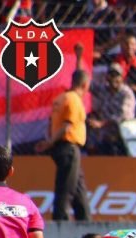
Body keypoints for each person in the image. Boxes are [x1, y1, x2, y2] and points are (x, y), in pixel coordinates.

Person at [35, 50, 93, 222]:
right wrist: (49, 142)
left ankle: (85, 220)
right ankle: (61, 221)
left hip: (62, 147)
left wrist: (79, 57)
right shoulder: (74, 100)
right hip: (68, 146)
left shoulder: (61, 98)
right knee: (66, 187)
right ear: (85, 85)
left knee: (78, 186)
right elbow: (67, 125)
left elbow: (51, 123)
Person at [87, 62, 136, 156]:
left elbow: (123, 116)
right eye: (111, 75)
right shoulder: (105, 89)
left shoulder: (126, 94)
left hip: (122, 137)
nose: (113, 79)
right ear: (107, 77)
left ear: (122, 78)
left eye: (116, 76)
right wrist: (79, 59)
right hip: (106, 137)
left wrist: (102, 123)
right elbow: (87, 84)